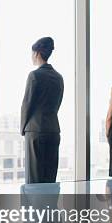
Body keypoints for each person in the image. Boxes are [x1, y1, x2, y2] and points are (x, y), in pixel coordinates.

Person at [20, 37, 64, 184]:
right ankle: (49, 207)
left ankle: (37, 208)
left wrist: (23, 129)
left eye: (32, 53)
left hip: (35, 132)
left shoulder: (34, 75)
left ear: (37, 53)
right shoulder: (59, 77)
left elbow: (27, 104)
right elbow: (57, 104)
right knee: (50, 178)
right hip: (53, 130)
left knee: (35, 180)